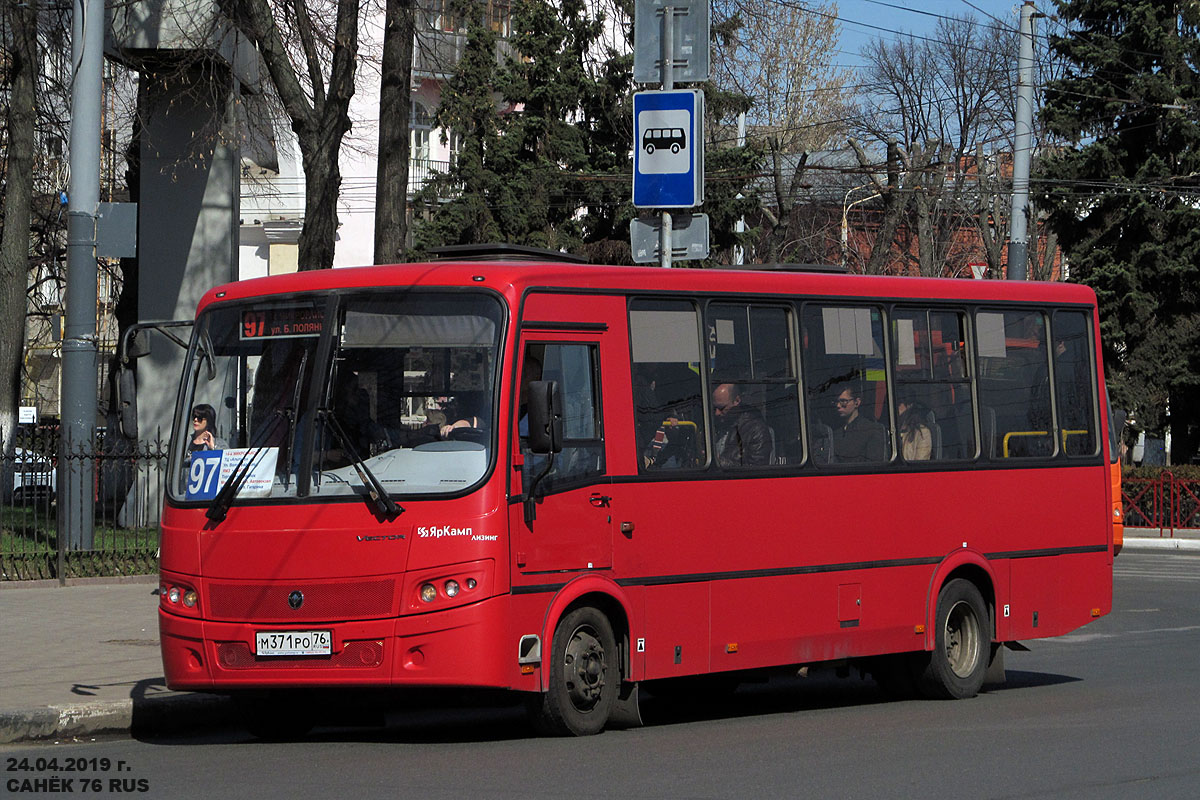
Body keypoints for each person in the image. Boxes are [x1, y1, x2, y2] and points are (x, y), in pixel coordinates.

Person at [712, 383, 772, 467]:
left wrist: (720, 462)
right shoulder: (712, 425)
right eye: (714, 408)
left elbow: (757, 469)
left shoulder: (756, 430)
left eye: (722, 408)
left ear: (737, 401)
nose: (717, 413)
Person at [831, 384, 886, 462]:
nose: (838, 405)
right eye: (836, 401)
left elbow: (874, 465)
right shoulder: (834, 432)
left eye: (843, 401)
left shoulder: (872, 430)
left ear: (857, 402)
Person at [897, 395, 933, 461]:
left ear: (909, 406)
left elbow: (920, 464)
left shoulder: (922, 433)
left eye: (898, 404)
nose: (895, 408)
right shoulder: (891, 430)